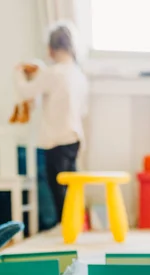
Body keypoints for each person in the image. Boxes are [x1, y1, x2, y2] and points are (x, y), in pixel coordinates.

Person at [14, 22, 88, 224]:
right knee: (71, 182)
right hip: (74, 137)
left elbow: (27, 92)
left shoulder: (52, 73)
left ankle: (65, 223)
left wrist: (19, 73)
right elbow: (83, 110)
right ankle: (75, 221)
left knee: (57, 185)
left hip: (55, 138)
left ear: (50, 48)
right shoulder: (77, 74)